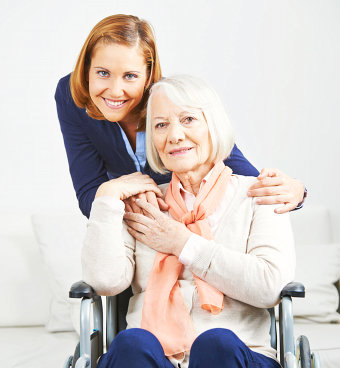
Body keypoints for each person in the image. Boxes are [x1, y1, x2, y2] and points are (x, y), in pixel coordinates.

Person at [82, 75, 296, 368]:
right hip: (149, 367)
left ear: (213, 124)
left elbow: (270, 285)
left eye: (188, 119)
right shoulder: (143, 201)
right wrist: (107, 196)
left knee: (216, 345)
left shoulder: (259, 195)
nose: (174, 135)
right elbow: (105, 281)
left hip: (238, 362)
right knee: (132, 344)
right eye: (161, 125)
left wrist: (182, 243)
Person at [55, 14, 306, 219]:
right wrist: (115, 191)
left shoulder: (172, 100)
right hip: (134, 232)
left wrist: (297, 192)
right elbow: (89, 199)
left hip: (195, 225)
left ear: (148, 76)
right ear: (86, 68)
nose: (114, 90)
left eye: (130, 76)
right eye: (102, 73)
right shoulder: (70, 97)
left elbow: (241, 174)